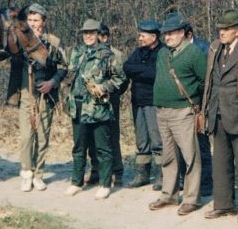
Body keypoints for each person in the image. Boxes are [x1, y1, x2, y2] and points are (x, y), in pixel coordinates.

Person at [201, 10, 238, 223]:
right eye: (220, 29)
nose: (221, 32)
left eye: (226, 29)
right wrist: (207, 109)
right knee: (220, 162)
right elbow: (211, 81)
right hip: (217, 113)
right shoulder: (215, 48)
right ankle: (223, 204)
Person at [148, 12, 207, 215]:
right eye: (165, 34)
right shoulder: (163, 53)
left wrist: (193, 102)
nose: (168, 37)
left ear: (183, 32)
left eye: (172, 33)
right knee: (168, 156)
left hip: (183, 112)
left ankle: (191, 199)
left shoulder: (194, 53)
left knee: (191, 156)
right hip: (162, 111)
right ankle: (169, 195)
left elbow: (204, 82)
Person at [6, 3, 67, 192]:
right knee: (26, 137)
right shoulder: (19, 41)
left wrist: (52, 83)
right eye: (30, 20)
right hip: (26, 94)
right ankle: (26, 173)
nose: (33, 23)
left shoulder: (54, 42)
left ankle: (39, 174)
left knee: (42, 136)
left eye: (36, 20)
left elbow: (64, 67)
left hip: (45, 96)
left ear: (44, 21)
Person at [64, 18, 127, 200]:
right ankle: (76, 182)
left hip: (98, 107)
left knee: (103, 148)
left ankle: (105, 184)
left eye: (92, 33)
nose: (88, 36)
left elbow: (120, 78)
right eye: (85, 33)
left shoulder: (107, 55)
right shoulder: (76, 52)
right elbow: (67, 72)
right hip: (77, 106)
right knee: (79, 147)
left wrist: (104, 87)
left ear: (99, 35)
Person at [84, 23, 129, 187]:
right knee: (93, 137)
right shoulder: (89, 53)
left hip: (110, 100)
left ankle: (117, 172)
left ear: (105, 37)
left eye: (101, 36)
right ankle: (96, 170)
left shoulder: (116, 55)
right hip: (92, 103)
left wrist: (109, 93)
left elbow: (123, 80)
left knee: (112, 136)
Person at [123, 19, 165, 189]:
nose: (139, 38)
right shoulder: (138, 52)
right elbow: (127, 67)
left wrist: (139, 71)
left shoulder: (163, 52)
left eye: (143, 35)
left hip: (153, 102)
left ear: (154, 36)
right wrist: (143, 71)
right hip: (137, 101)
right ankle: (142, 175)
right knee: (142, 141)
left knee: (157, 140)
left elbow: (156, 74)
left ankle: (163, 175)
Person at [184, 22, 214, 197]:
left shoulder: (203, 48)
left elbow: (206, 78)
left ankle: (206, 184)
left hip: (200, 104)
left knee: (201, 144)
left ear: (188, 34)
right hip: (183, 104)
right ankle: (186, 181)